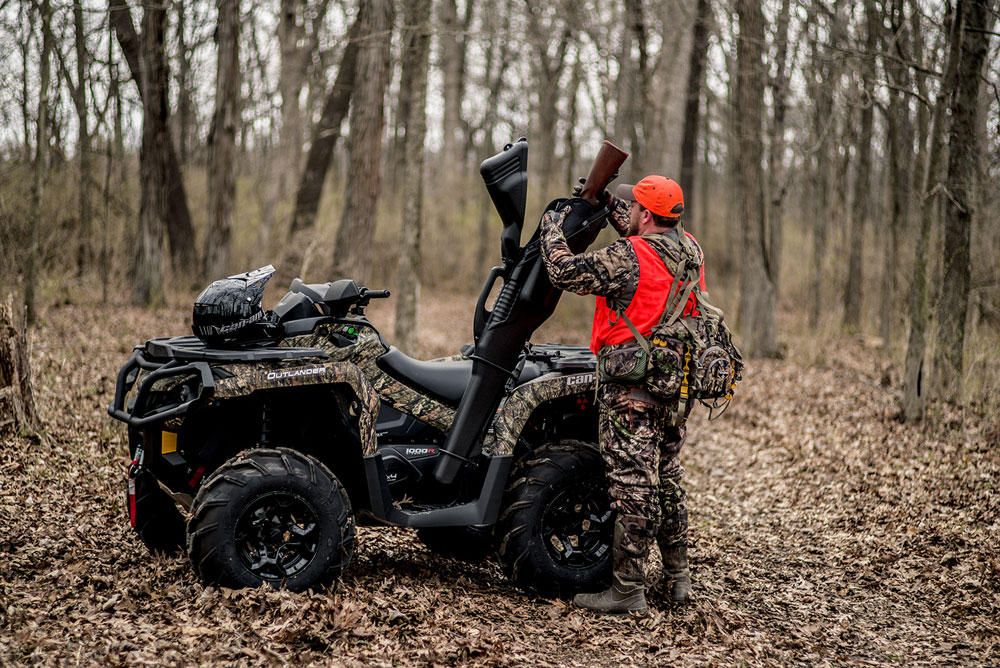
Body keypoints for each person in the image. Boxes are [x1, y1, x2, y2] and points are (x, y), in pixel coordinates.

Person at [539, 175, 704, 614]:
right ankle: (679, 579)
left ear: (646, 215)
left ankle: (627, 591)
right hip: (675, 390)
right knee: (668, 479)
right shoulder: (690, 252)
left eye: (633, 207)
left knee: (633, 488)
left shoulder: (630, 255)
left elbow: (565, 271)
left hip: (631, 393)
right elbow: (642, 245)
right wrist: (610, 202)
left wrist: (551, 229)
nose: (628, 213)